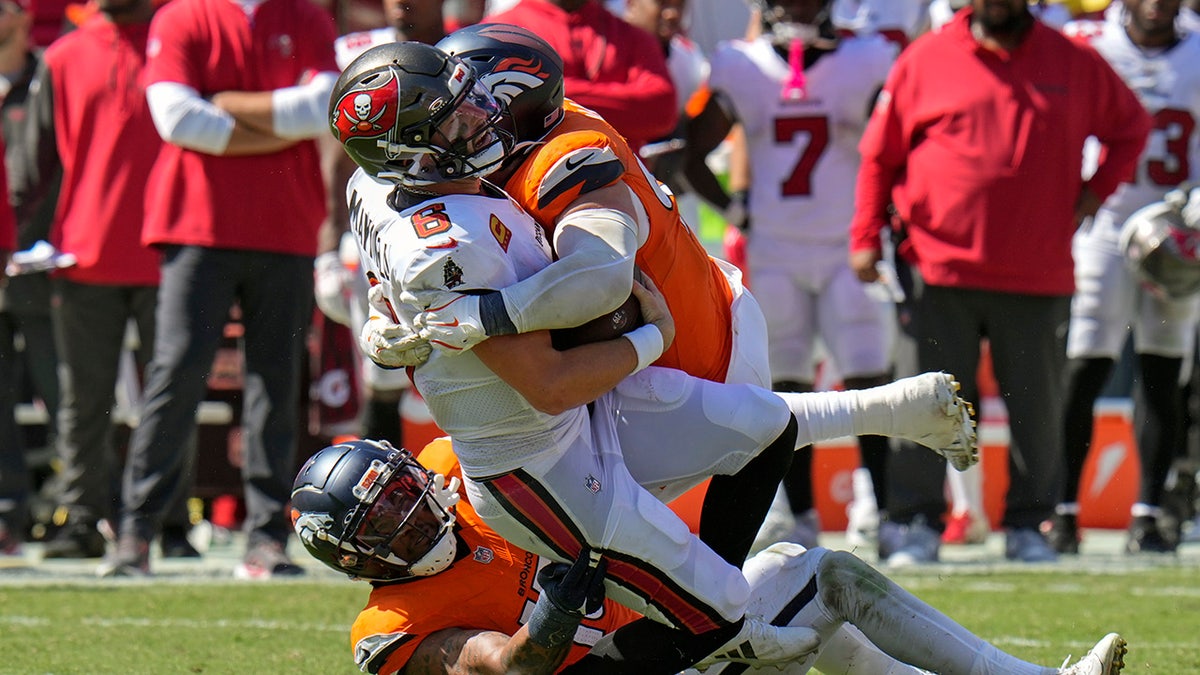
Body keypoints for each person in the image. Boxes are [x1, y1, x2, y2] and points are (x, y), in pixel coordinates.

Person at [331, 39, 979, 672]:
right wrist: (642, 337)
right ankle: (731, 629)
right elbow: (555, 358)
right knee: (738, 600)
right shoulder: (449, 235)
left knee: (761, 457)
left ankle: (739, 611)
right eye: (457, 117)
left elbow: (435, 295)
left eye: (475, 104)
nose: (480, 121)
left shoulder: (418, 197)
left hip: (603, 390)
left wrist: (424, 321)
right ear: (409, 157)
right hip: (554, 447)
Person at [291, 436, 1129, 675]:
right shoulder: (389, 626)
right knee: (810, 589)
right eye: (390, 516)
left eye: (405, 488)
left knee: (808, 582)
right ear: (357, 554)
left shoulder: (449, 463)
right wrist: (560, 588)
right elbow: (508, 668)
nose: (417, 506)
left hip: (672, 635)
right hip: (620, 664)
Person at [849, 0, 1152, 565]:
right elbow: (878, 155)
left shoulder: (1074, 61)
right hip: (936, 265)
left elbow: (1132, 128)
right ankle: (913, 521)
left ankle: (1028, 524)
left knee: (1036, 409)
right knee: (923, 402)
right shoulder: (925, 57)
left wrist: (1094, 193)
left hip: (1037, 269)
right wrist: (865, 234)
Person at [99, 0, 339, 578]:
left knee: (275, 383)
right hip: (195, 226)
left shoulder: (307, 16)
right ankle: (136, 532)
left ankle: (266, 537)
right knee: (176, 373)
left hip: (286, 227)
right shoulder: (182, 16)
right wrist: (277, 128)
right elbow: (178, 122)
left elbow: (327, 107)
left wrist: (226, 108)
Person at [683, 0, 900, 549]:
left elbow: (900, 143)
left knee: (869, 373)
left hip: (847, 242)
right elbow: (688, 152)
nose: (796, 7)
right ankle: (800, 513)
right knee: (787, 386)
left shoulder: (867, 58)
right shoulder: (743, 63)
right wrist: (738, 213)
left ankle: (883, 506)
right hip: (776, 247)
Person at [7, 0, 205, 560]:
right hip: (82, 255)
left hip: (172, 249)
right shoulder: (64, 56)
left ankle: (168, 522)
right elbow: (34, 163)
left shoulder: (176, 46)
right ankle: (84, 520)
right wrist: (19, 240)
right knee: (80, 401)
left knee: (172, 397)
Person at [1044, 0, 1200, 556]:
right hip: (1106, 224)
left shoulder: (1196, 50)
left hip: (1177, 229)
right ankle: (1061, 509)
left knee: (1164, 369)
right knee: (1086, 362)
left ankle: (1150, 512)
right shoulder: (1089, 45)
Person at [314, 0, 450, 445]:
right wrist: (327, 249)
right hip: (380, 221)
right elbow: (340, 158)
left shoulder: (464, 50)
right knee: (386, 365)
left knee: (452, 367)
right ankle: (388, 499)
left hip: (452, 221)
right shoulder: (361, 52)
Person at [482, 0, 678, 153]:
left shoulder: (632, 36)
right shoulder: (500, 30)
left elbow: (661, 110)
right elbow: (494, 115)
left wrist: (546, 91)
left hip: (622, 184)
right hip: (530, 186)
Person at [0, 0, 48, 557]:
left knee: (68, 401)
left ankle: (80, 513)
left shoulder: (47, 76)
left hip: (41, 262)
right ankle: (8, 516)